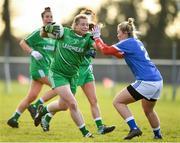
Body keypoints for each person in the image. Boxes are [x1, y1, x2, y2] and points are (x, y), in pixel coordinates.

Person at [35, 8, 115, 135]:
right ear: (75, 25)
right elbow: (43, 34)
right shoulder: (64, 32)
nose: (85, 26)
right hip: (58, 73)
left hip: (74, 74)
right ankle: (86, 133)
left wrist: (97, 39)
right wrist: (46, 29)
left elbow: (98, 48)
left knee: (65, 105)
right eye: (82, 24)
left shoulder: (89, 37)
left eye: (87, 24)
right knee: (72, 103)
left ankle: (43, 111)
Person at [91, 18, 163, 140]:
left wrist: (97, 37)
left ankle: (134, 128)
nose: (117, 35)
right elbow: (119, 55)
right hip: (158, 80)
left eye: (118, 32)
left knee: (118, 102)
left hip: (147, 81)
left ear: (124, 32)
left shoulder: (127, 43)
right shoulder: (136, 42)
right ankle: (158, 135)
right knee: (148, 110)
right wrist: (100, 43)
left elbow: (105, 50)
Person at [7, 7, 56, 128]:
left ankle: (14, 118)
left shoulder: (53, 36)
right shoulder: (38, 32)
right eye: (46, 17)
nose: (49, 19)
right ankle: (37, 105)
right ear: (43, 19)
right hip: (38, 68)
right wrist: (32, 51)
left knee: (31, 96)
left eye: (51, 17)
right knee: (58, 86)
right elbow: (22, 42)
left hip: (45, 69)